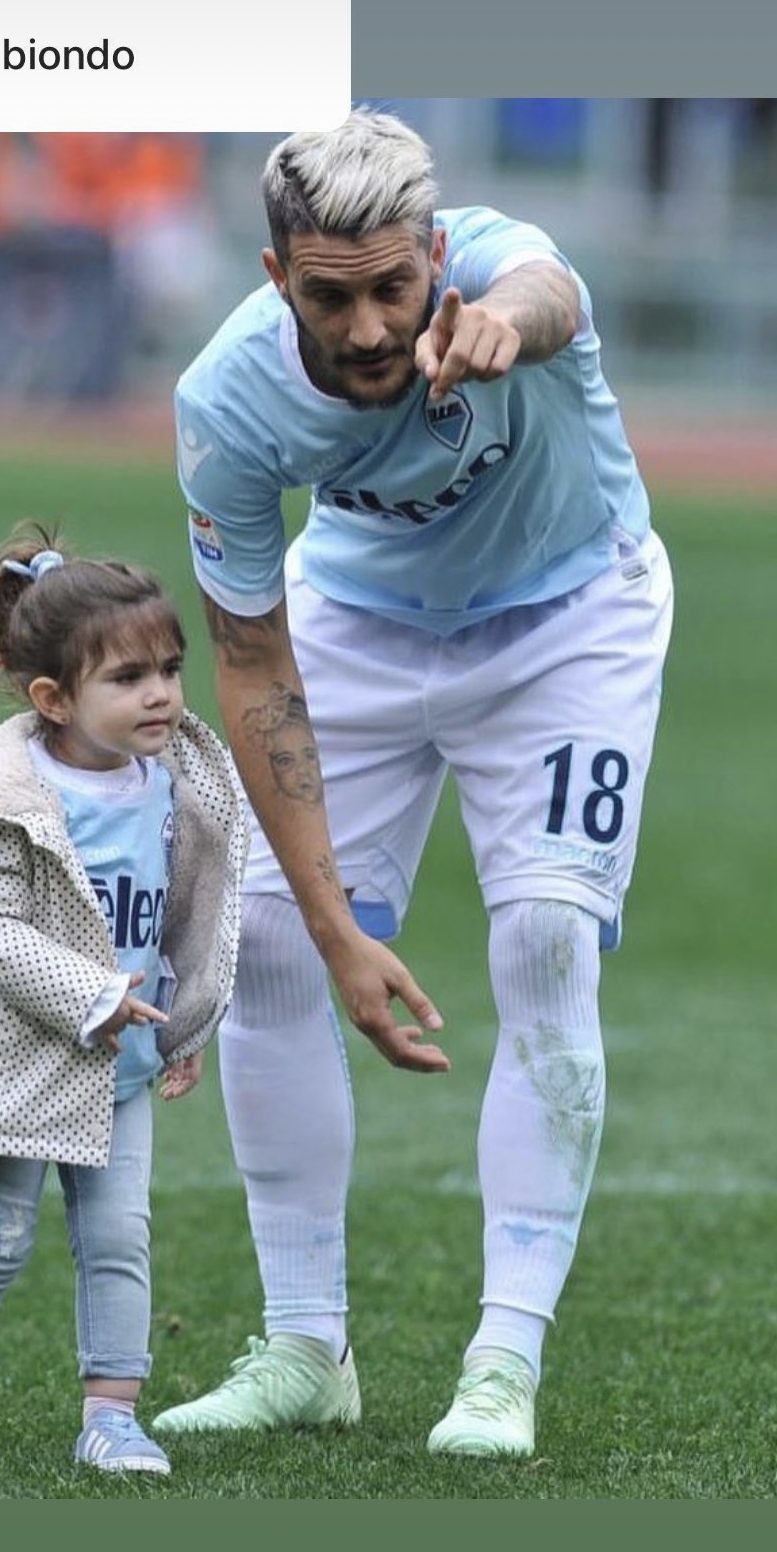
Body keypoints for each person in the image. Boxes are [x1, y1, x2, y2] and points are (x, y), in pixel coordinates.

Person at [156, 109, 674, 1458]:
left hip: (572, 617)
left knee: (546, 936)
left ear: (435, 253)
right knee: (268, 937)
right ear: (276, 277)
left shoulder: (502, 272)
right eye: (329, 297)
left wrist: (503, 320)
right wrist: (337, 929)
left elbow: (551, 291)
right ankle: (303, 1347)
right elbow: (251, 662)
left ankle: (502, 1365)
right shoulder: (227, 402)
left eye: (396, 286)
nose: (373, 326)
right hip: (358, 624)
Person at [0, 527, 247, 1475]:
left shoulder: (168, 784)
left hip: (121, 1066)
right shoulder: (1, 797)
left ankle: (111, 1416)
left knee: (119, 1238)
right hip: (14, 1060)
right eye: (127, 677)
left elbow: (181, 916)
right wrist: (90, 995)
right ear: (53, 699)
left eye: (169, 669)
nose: (160, 694)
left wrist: (186, 1021)